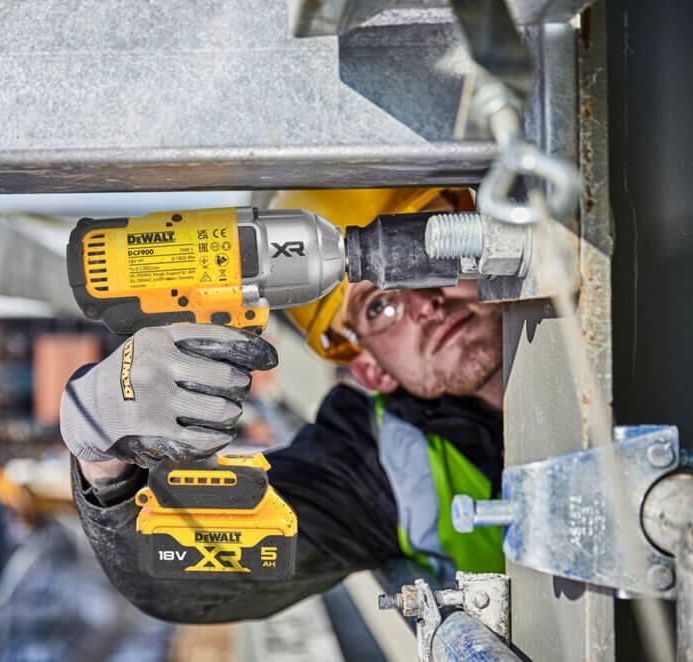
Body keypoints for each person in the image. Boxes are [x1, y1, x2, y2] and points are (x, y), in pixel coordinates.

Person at [59, 188, 506, 623]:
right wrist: (102, 459)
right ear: (371, 369)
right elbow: (172, 576)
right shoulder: (378, 467)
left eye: (423, 256)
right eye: (380, 307)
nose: (426, 304)